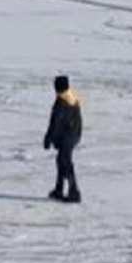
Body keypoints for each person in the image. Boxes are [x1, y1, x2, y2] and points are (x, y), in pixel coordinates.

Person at [43, 75, 83, 203]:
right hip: (74, 134)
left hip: (67, 137)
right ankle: (59, 189)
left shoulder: (61, 102)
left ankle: (73, 191)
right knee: (61, 160)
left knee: (65, 161)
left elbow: (55, 123)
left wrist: (49, 139)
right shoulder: (72, 97)